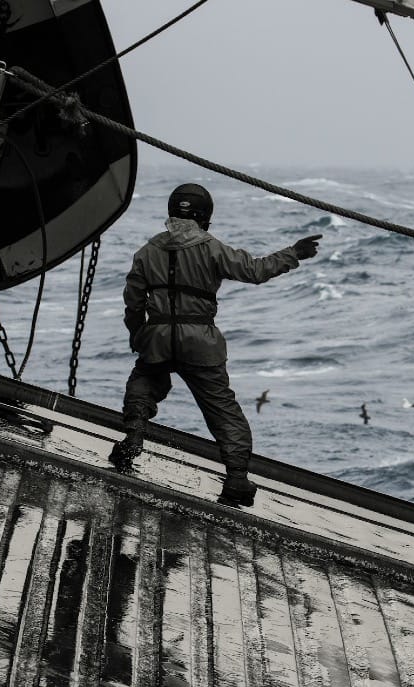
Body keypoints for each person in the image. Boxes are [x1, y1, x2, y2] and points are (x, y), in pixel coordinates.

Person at [109, 183, 322, 506]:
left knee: (144, 382)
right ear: (204, 216)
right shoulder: (212, 249)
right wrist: (294, 253)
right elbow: (255, 271)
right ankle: (236, 478)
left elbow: (133, 303)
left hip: (159, 337)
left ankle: (134, 434)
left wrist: (139, 336)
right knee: (223, 410)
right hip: (200, 342)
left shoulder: (146, 251)